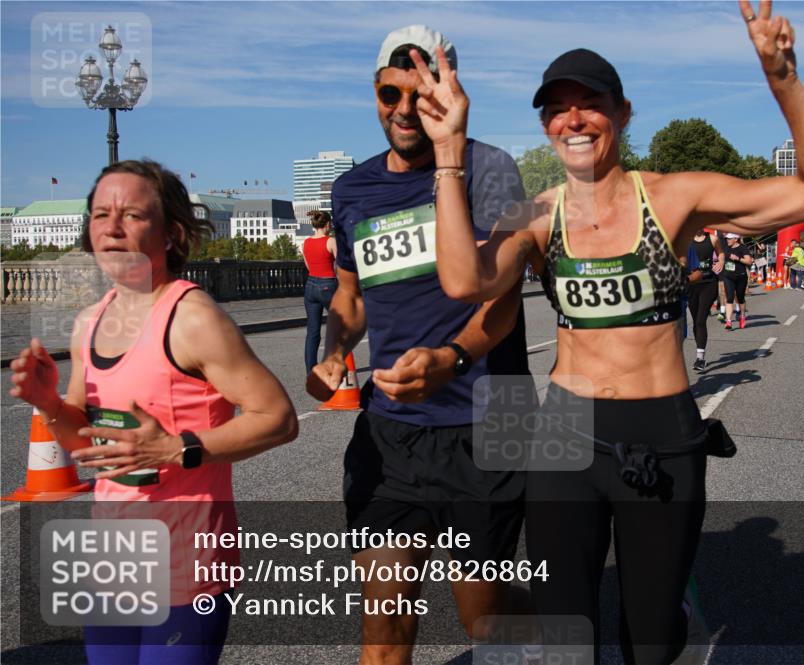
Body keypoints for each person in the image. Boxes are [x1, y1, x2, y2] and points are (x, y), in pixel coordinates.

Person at [416, 0, 804, 659]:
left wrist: (782, 78)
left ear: (621, 113)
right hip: (565, 433)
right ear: (545, 124)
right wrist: (449, 151)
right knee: (566, 631)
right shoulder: (535, 213)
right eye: (556, 107)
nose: (573, 118)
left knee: (649, 639)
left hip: (662, 435)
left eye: (589, 101)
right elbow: (462, 280)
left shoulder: (673, 196)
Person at [8, 160, 298, 665]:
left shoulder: (192, 318)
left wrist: (177, 447)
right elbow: (86, 443)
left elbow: (277, 418)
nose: (112, 227)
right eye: (101, 214)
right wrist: (49, 404)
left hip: (186, 563)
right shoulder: (88, 323)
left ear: (172, 234)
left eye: (133, 215)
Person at [304, 25, 532, 663]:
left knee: (483, 621)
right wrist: (333, 349)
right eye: (389, 94)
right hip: (393, 432)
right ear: (374, 95)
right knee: (385, 625)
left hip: (487, 422)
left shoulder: (488, 169)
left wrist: (451, 357)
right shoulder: (352, 191)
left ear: (451, 90)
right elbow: (350, 301)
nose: (405, 110)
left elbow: (503, 299)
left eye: (422, 93)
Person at [302, 209, 338, 372]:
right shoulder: (331, 241)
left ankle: (311, 369)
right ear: (328, 224)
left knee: (313, 331)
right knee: (339, 326)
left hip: (310, 285)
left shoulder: (306, 242)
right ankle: (335, 363)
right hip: (328, 285)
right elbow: (340, 265)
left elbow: (308, 266)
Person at [686, 229, 725, 372]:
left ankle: (700, 358)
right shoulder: (687, 239)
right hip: (691, 284)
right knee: (696, 321)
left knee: (701, 320)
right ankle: (700, 350)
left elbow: (721, 252)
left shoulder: (713, 239)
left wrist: (720, 261)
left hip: (708, 282)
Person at [721, 233, 754, 329]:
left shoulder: (742, 248)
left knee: (740, 298)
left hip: (740, 276)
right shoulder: (725, 247)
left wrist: (738, 258)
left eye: (730, 239)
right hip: (728, 276)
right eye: (727, 238)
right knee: (729, 298)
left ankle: (742, 316)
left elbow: (749, 261)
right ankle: (728, 321)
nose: (728, 240)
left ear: (736, 239)